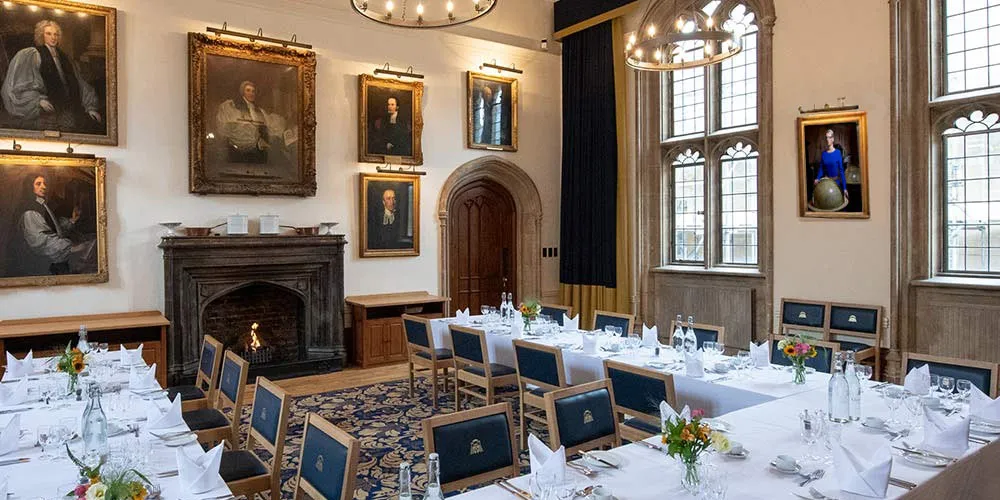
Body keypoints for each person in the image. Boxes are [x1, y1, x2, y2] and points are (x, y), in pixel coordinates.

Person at [1, 20, 103, 133]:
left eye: (56, 34)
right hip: (48, 113)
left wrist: (90, 107)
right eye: (48, 34)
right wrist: (38, 100)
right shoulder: (32, 54)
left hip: (70, 111)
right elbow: (22, 84)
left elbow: (80, 84)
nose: (53, 37)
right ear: (42, 35)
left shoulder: (66, 58)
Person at [11, 173, 96, 276]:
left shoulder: (41, 204)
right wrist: (72, 248)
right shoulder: (29, 212)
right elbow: (42, 242)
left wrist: (72, 220)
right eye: (38, 184)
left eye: (44, 183)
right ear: (29, 187)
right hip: (38, 266)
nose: (44, 187)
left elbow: (52, 227)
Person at [215, 80, 295, 164]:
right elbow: (227, 127)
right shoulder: (233, 107)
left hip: (256, 149)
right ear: (242, 92)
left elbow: (268, 122)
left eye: (253, 91)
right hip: (238, 150)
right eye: (248, 90)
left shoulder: (258, 110)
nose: (251, 93)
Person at [814, 129, 848, 200]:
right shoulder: (824, 154)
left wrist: (845, 188)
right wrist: (817, 178)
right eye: (826, 137)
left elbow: (841, 171)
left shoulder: (838, 152)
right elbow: (821, 169)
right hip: (826, 183)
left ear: (833, 139)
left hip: (836, 184)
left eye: (829, 137)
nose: (827, 139)